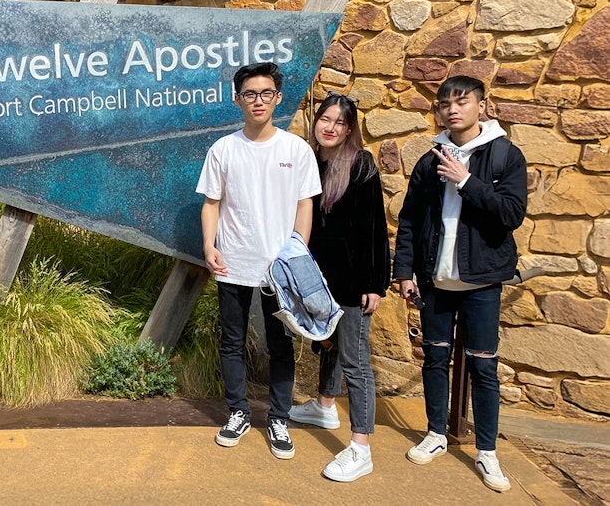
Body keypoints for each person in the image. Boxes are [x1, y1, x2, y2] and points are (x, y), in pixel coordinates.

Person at [394, 76, 527, 493]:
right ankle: (435, 433)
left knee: (484, 366)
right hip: (435, 280)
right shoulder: (429, 159)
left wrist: (466, 181)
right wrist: (404, 272)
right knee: (434, 359)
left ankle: (486, 451)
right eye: (445, 103)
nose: (452, 109)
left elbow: (511, 214)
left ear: (482, 106)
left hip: (482, 281)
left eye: (462, 102)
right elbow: (411, 220)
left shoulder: (505, 155)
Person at [197, 62, 321, 459]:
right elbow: (211, 203)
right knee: (231, 341)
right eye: (249, 94)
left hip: (280, 268)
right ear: (237, 99)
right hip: (233, 261)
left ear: (277, 98)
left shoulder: (295, 149)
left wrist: (296, 252)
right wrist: (208, 245)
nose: (258, 101)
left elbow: (306, 203)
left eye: (266, 93)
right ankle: (238, 412)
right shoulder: (224, 148)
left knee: (280, 345)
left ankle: (279, 419)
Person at [288, 92, 390, 482]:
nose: (329, 127)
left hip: (352, 283)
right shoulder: (311, 162)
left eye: (339, 122)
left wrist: (374, 283)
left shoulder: (360, 166)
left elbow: (374, 229)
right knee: (327, 343)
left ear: (350, 129)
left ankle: (361, 447)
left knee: (356, 361)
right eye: (324, 119)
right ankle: (325, 406)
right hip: (320, 279)